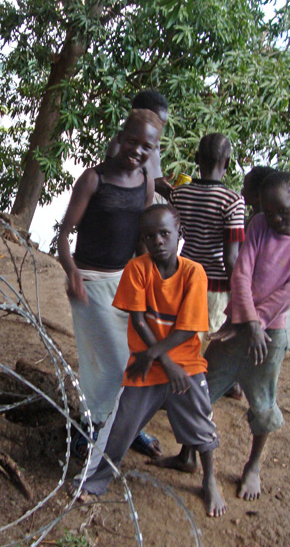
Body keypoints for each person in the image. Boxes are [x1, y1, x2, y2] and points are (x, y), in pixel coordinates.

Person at [168, 171, 290, 501]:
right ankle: (188, 454)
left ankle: (252, 466)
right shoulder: (258, 226)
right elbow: (242, 272)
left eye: (284, 211)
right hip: (235, 328)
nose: (277, 218)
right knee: (200, 390)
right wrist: (245, 321)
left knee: (262, 404)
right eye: (269, 211)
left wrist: (256, 323)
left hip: (269, 339)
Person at [73, 205, 226, 518]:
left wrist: (159, 358)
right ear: (141, 239)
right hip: (147, 362)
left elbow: (187, 329)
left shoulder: (193, 272)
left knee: (201, 420)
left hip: (181, 363)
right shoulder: (138, 269)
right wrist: (161, 362)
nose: (158, 241)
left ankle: (210, 480)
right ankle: (96, 480)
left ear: (179, 234)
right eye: (149, 236)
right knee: (122, 425)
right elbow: (139, 321)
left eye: (165, 233)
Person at [58, 109, 162, 462]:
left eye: (147, 145)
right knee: (112, 363)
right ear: (120, 137)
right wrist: (70, 270)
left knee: (132, 358)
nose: (137, 150)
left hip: (125, 281)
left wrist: (149, 281)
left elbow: (142, 238)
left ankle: (119, 425)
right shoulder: (93, 180)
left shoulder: (147, 181)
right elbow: (64, 234)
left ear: (155, 148)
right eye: (132, 141)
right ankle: (90, 425)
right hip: (89, 282)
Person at [168, 133, 245, 338]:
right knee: (206, 345)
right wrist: (241, 297)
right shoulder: (233, 201)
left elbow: (172, 242)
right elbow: (231, 258)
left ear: (196, 158)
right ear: (227, 162)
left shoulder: (179, 194)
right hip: (216, 287)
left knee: (181, 341)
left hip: (184, 278)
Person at [105, 90, 173, 201]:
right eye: (156, 122)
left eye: (162, 125)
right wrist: (153, 185)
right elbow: (109, 185)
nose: (159, 130)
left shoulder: (154, 144)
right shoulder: (120, 144)